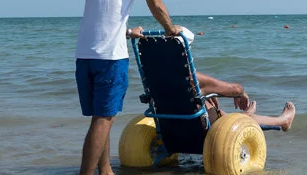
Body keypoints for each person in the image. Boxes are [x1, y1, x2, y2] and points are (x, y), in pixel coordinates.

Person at [74, 0, 183, 175]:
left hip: (85, 51)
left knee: (101, 115)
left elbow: (102, 10)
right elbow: (155, 2)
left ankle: (106, 173)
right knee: (104, 117)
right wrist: (170, 28)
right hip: (110, 55)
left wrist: (126, 31)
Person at [126, 26, 297, 131]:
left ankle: (244, 115)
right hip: (201, 130)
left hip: (171, 128)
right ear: (184, 51)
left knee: (209, 104)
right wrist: (242, 93)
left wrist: (209, 93)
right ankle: (283, 121)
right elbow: (235, 88)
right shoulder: (192, 79)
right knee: (238, 121)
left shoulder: (153, 75)